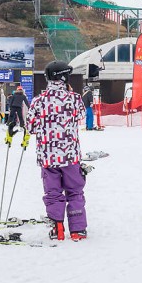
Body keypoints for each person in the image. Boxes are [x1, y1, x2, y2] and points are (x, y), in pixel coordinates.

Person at [27, 61, 88, 241]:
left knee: (53, 192)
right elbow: (82, 118)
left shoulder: (38, 101)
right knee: (75, 191)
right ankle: (78, 230)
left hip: (47, 156)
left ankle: (57, 227)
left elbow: (30, 127)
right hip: (70, 155)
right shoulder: (74, 98)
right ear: (64, 77)